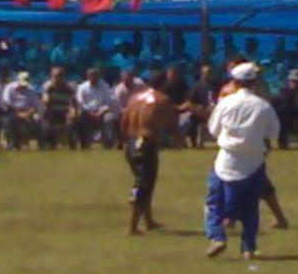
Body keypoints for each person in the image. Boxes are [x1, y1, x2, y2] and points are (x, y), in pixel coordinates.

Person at [204, 62, 283, 260]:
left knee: (214, 202)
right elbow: (274, 133)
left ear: (235, 82)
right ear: (254, 82)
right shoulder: (263, 106)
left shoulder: (226, 103)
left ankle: (217, 237)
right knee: (250, 207)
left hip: (227, 158)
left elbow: (213, 129)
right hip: (254, 161)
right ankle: (249, 247)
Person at [121, 73, 184, 236]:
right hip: (146, 144)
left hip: (131, 142)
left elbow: (124, 122)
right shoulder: (162, 100)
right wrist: (179, 138)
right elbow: (171, 124)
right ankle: (132, 227)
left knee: (145, 181)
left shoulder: (134, 98)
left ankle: (149, 220)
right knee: (142, 184)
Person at [75, 68, 116, 149]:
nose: (94, 78)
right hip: (87, 112)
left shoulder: (105, 86)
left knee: (109, 118)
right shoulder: (82, 87)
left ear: (99, 76)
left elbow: (109, 102)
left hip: (102, 112)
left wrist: (100, 112)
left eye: (96, 76)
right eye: (92, 76)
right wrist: (90, 112)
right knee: (81, 117)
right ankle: (85, 143)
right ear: (88, 77)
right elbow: (80, 102)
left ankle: (107, 143)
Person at [2, 71, 44, 150]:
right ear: (17, 80)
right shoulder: (9, 88)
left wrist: (28, 113)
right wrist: (19, 113)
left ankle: (41, 144)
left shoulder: (31, 89)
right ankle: (13, 144)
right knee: (9, 121)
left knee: (39, 122)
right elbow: (7, 103)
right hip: (12, 111)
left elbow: (35, 105)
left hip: (27, 112)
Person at [42, 67, 76, 149]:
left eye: (59, 76)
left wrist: (72, 111)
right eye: (54, 76)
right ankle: (50, 144)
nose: (56, 78)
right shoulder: (47, 86)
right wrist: (48, 92)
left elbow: (73, 102)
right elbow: (45, 101)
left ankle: (71, 144)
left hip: (65, 111)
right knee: (47, 123)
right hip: (52, 110)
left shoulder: (69, 87)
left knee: (70, 122)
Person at [186, 64, 215, 148]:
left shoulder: (215, 85)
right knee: (194, 120)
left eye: (209, 73)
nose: (207, 75)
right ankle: (195, 142)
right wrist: (201, 108)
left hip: (215, 109)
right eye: (205, 73)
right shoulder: (196, 87)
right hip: (200, 110)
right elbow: (191, 101)